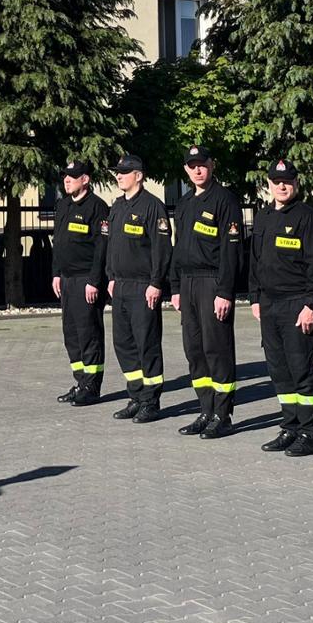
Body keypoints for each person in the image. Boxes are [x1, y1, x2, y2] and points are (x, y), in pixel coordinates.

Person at [250, 159, 313, 457]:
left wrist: (312, 304)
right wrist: (255, 297)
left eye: (287, 181)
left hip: (297, 303)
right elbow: (254, 261)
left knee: (301, 367)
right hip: (269, 304)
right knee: (279, 369)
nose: (281, 186)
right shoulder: (263, 216)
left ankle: (308, 432)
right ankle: (290, 426)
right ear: (269, 184)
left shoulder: (306, 217)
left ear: (296, 183)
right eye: (276, 181)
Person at [168, 145, 245, 439]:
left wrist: (225, 291)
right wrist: (175, 287)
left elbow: (232, 250)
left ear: (212, 165)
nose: (197, 170)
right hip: (187, 282)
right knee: (195, 351)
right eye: (191, 165)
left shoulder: (225, 200)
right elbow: (177, 247)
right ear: (186, 170)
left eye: (202, 164)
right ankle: (205, 410)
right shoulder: (185, 203)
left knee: (217, 349)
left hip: (212, 282)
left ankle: (222, 414)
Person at [102, 154, 171, 424]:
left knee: (146, 344)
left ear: (138, 176)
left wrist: (156, 283)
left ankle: (151, 401)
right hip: (119, 286)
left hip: (143, 286)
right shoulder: (117, 206)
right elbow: (111, 246)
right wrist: (110, 276)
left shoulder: (153, 207)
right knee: (124, 343)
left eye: (124, 172)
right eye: (117, 172)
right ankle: (136, 396)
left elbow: (161, 249)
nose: (119, 176)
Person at [50, 161, 110, 407]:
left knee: (89, 334)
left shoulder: (97, 208)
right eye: (65, 176)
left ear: (85, 179)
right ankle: (80, 381)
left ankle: (91, 386)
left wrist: (95, 281)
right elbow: (59, 243)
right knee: (71, 334)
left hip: (86, 279)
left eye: (72, 177)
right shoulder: (62, 205)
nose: (67, 180)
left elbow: (101, 248)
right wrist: (56, 273)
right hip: (66, 280)